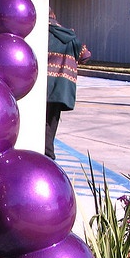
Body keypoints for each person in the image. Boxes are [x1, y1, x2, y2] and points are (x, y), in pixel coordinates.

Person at [45, 9, 91, 160]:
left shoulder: (43, 35)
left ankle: (47, 156)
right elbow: (85, 55)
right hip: (63, 87)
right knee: (52, 122)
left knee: (42, 122)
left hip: (45, 86)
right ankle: (48, 155)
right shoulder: (70, 36)